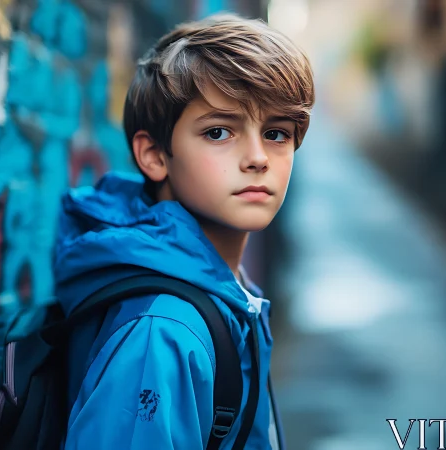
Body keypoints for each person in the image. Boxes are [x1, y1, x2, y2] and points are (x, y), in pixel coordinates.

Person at [53, 13, 315, 449]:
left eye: (276, 133)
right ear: (155, 155)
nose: (257, 157)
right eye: (218, 132)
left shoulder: (223, 289)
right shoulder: (163, 333)